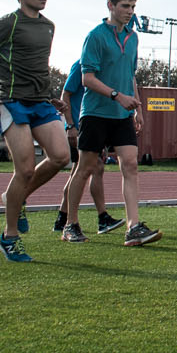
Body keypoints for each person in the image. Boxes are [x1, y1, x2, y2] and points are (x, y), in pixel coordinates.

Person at [0, 0, 72, 263]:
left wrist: (51, 95)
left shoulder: (49, 26)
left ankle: (17, 197)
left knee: (62, 157)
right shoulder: (8, 24)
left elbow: (36, 65)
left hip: (41, 102)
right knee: (24, 170)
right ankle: (9, 237)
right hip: (11, 102)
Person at [64, 0, 161, 247]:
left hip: (122, 116)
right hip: (95, 113)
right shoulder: (95, 36)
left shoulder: (133, 37)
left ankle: (133, 227)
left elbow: (130, 75)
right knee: (83, 170)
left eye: (133, 7)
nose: (130, 11)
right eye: (125, 6)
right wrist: (117, 96)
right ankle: (70, 224)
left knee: (130, 165)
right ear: (111, 5)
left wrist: (137, 107)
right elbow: (87, 79)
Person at [52, 57, 122, 241]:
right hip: (80, 125)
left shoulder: (103, 68)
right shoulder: (81, 65)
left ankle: (63, 217)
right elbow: (65, 95)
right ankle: (98, 218)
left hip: (91, 124)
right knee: (87, 168)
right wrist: (70, 125)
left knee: (83, 169)